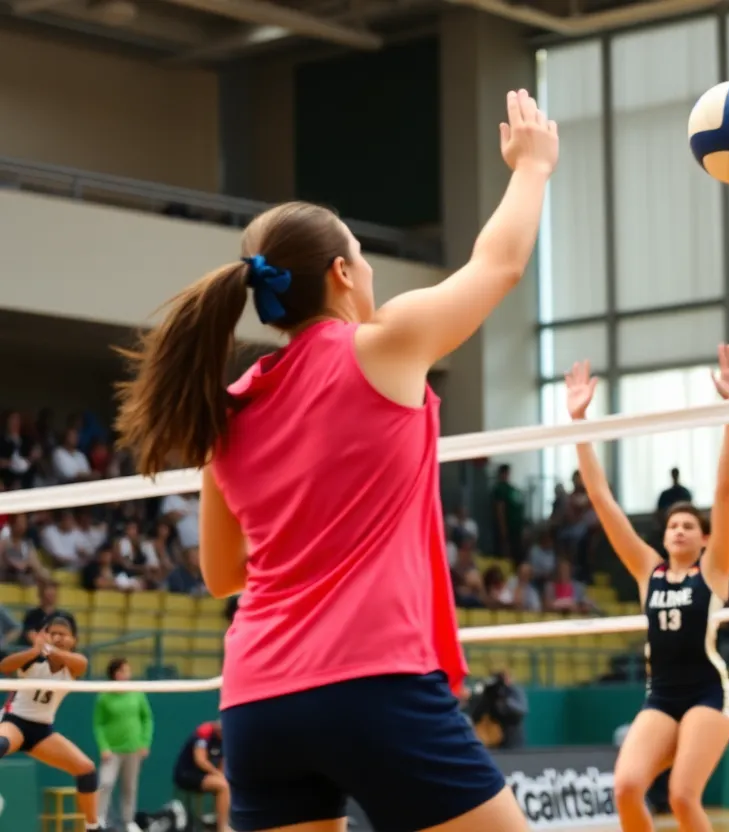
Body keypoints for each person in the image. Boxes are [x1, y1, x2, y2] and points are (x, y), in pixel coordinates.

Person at [111, 89, 559, 832]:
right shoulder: (384, 346)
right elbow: (500, 264)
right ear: (343, 274)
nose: (371, 270)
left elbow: (224, 575)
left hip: (257, 701)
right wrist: (534, 167)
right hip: (373, 685)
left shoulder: (227, 410)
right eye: (361, 253)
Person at [564, 343, 729, 832]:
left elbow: (725, 491)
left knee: (684, 797)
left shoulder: (714, 570)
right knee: (625, 788)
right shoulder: (650, 571)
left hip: (708, 693)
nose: (679, 530)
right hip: (661, 695)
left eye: (689, 525)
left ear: (704, 538)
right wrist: (579, 423)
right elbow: (601, 499)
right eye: (672, 526)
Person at [0, 615, 102, 830]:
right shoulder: (33, 659)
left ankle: (93, 827)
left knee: (86, 769)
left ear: (73, 640)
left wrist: (48, 649)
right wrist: (34, 651)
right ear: (44, 635)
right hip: (15, 722)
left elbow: (82, 663)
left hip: (42, 731)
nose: (57, 637)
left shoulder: (75, 665)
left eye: (62, 634)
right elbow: (4, 666)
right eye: (52, 633)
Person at [94, 657, 154, 830]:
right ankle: (98, 819)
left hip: (133, 748)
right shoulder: (104, 697)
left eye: (128, 670)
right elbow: (98, 724)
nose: (127, 674)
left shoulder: (137, 693)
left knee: (130, 787)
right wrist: (103, 746)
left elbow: (147, 718)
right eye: (123, 670)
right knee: (105, 783)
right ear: (115, 674)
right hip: (112, 750)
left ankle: (128, 821)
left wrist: (145, 742)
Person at [173, 720, 227, 830]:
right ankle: (223, 827)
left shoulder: (227, 739)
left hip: (205, 776)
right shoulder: (203, 734)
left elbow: (224, 762)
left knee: (228, 783)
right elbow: (200, 760)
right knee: (223, 786)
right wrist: (218, 775)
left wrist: (222, 775)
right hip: (187, 775)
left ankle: (219, 817)